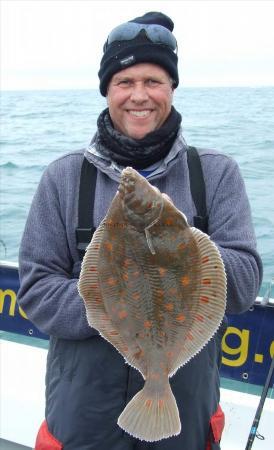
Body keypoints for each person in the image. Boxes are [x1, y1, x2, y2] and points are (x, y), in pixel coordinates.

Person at [17, 11, 262, 450]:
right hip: (82, 419)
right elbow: (35, 291)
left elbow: (244, 286)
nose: (139, 96)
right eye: (125, 82)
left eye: (153, 81)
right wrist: (112, 301)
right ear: (107, 91)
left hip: (185, 419)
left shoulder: (217, 174)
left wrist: (184, 245)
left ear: (171, 88)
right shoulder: (63, 177)